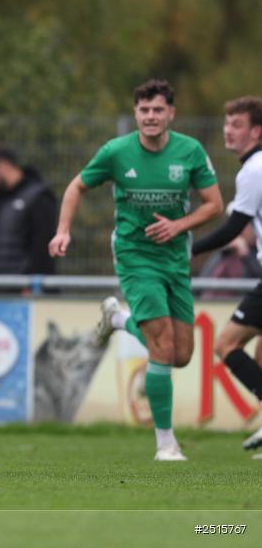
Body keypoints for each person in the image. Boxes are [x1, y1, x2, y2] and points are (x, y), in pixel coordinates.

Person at [49, 79, 223, 461]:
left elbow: (214, 204)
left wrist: (179, 226)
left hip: (175, 259)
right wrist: (63, 231)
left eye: (158, 110)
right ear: (135, 113)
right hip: (135, 256)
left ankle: (117, 319)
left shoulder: (190, 151)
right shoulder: (116, 151)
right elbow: (76, 187)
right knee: (162, 347)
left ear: (171, 113)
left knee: (181, 354)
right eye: (144, 110)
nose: (150, 117)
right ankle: (166, 444)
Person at [190, 96, 262, 457]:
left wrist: (189, 248)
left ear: (256, 131)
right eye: (227, 123)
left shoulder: (254, 169)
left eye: (237, 125)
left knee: (226, 345)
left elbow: (234, 227)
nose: (228, 131)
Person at [0, 145, 57, 275]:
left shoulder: (38, 198)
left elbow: (43, 252)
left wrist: (31, 282)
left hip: (23, 285)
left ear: (3, 166)